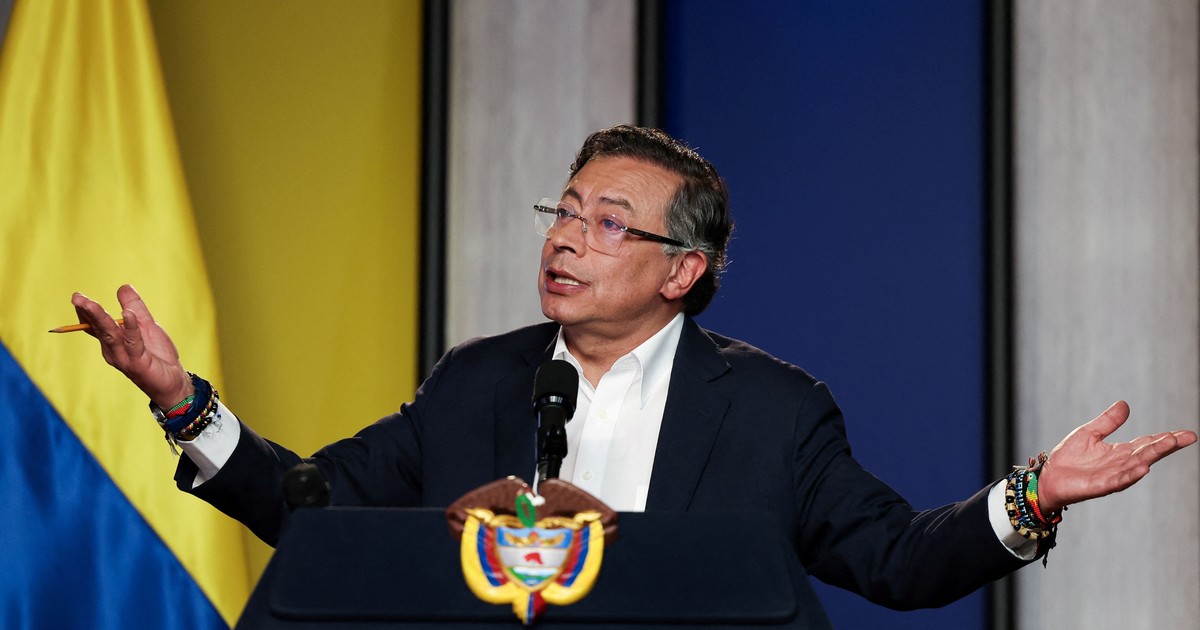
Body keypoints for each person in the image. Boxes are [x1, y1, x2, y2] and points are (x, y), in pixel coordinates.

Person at [71, 125, 1196, 610]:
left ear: (682, 271)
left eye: (608, 222)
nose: (565, 239)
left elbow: (900, 561)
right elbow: (315, 508)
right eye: (563, 211)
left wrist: (1034, 494)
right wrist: (183, 403)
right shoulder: (475, 383)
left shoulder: (774, 411)